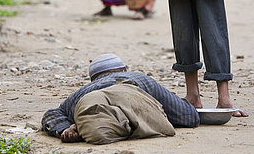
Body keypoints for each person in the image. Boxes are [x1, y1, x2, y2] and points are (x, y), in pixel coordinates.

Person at [42, 53, 199, 144]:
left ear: (94, 79)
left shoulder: (83, 91)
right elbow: (188, 117)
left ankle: (95, 126)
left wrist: (64, 129)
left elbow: (51, 115)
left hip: (93, 102)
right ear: (124, 70)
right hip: (130, 93)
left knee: (94, 124)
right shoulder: (140, 78)